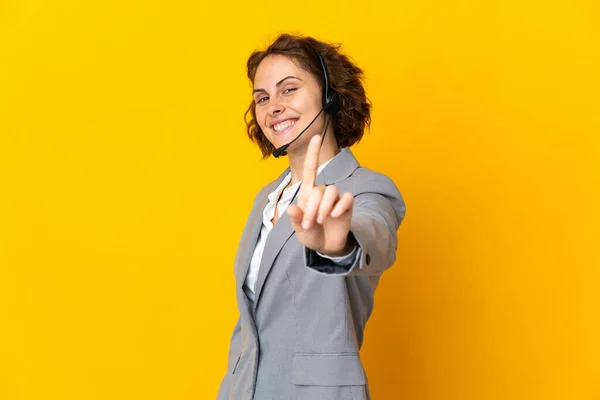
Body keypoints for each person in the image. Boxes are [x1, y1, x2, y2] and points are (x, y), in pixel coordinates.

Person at [217, 33, 406, 400]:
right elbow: (250, 329)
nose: (273, 106)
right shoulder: (265, 199)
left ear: (330, 96)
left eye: (289, 89)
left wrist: (339, 245)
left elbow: (375, 235)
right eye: (262, 97)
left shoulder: (367, 189)